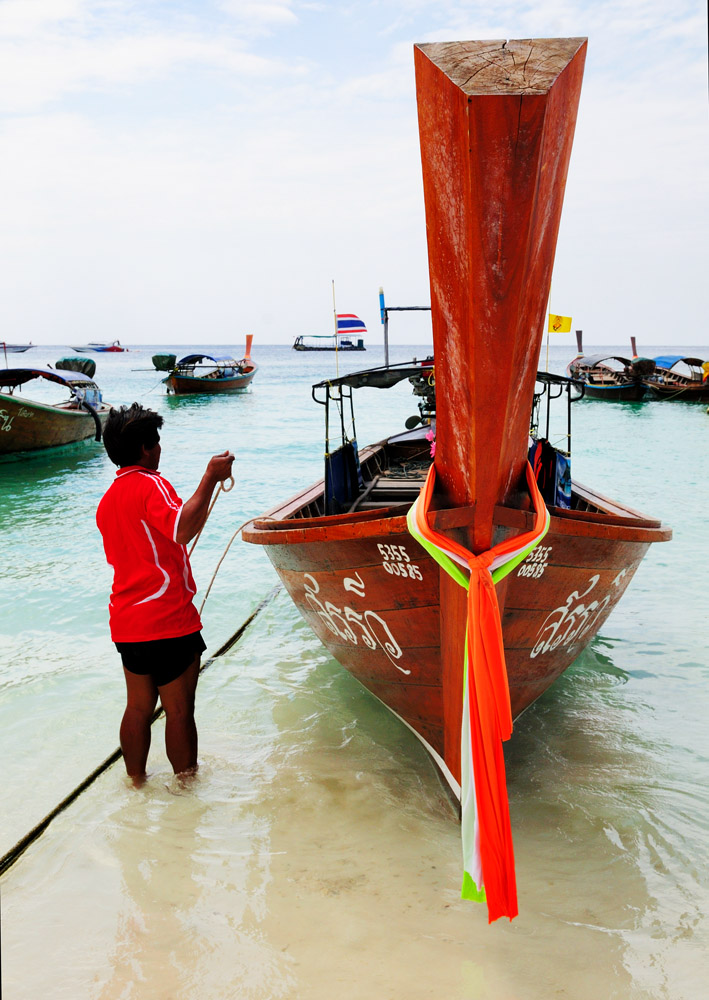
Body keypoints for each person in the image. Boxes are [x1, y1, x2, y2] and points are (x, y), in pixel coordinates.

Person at [96, 403, 234, 785]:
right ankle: (187, 790)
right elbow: (182, 528)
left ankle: (136, 784)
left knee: (138, 708)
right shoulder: (150, 483)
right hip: (167, 621)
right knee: (178, 710)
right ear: (144, 448)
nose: (159, 450)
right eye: (155, 443)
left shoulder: (108, 500)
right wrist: (210, 477)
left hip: (127, 623)